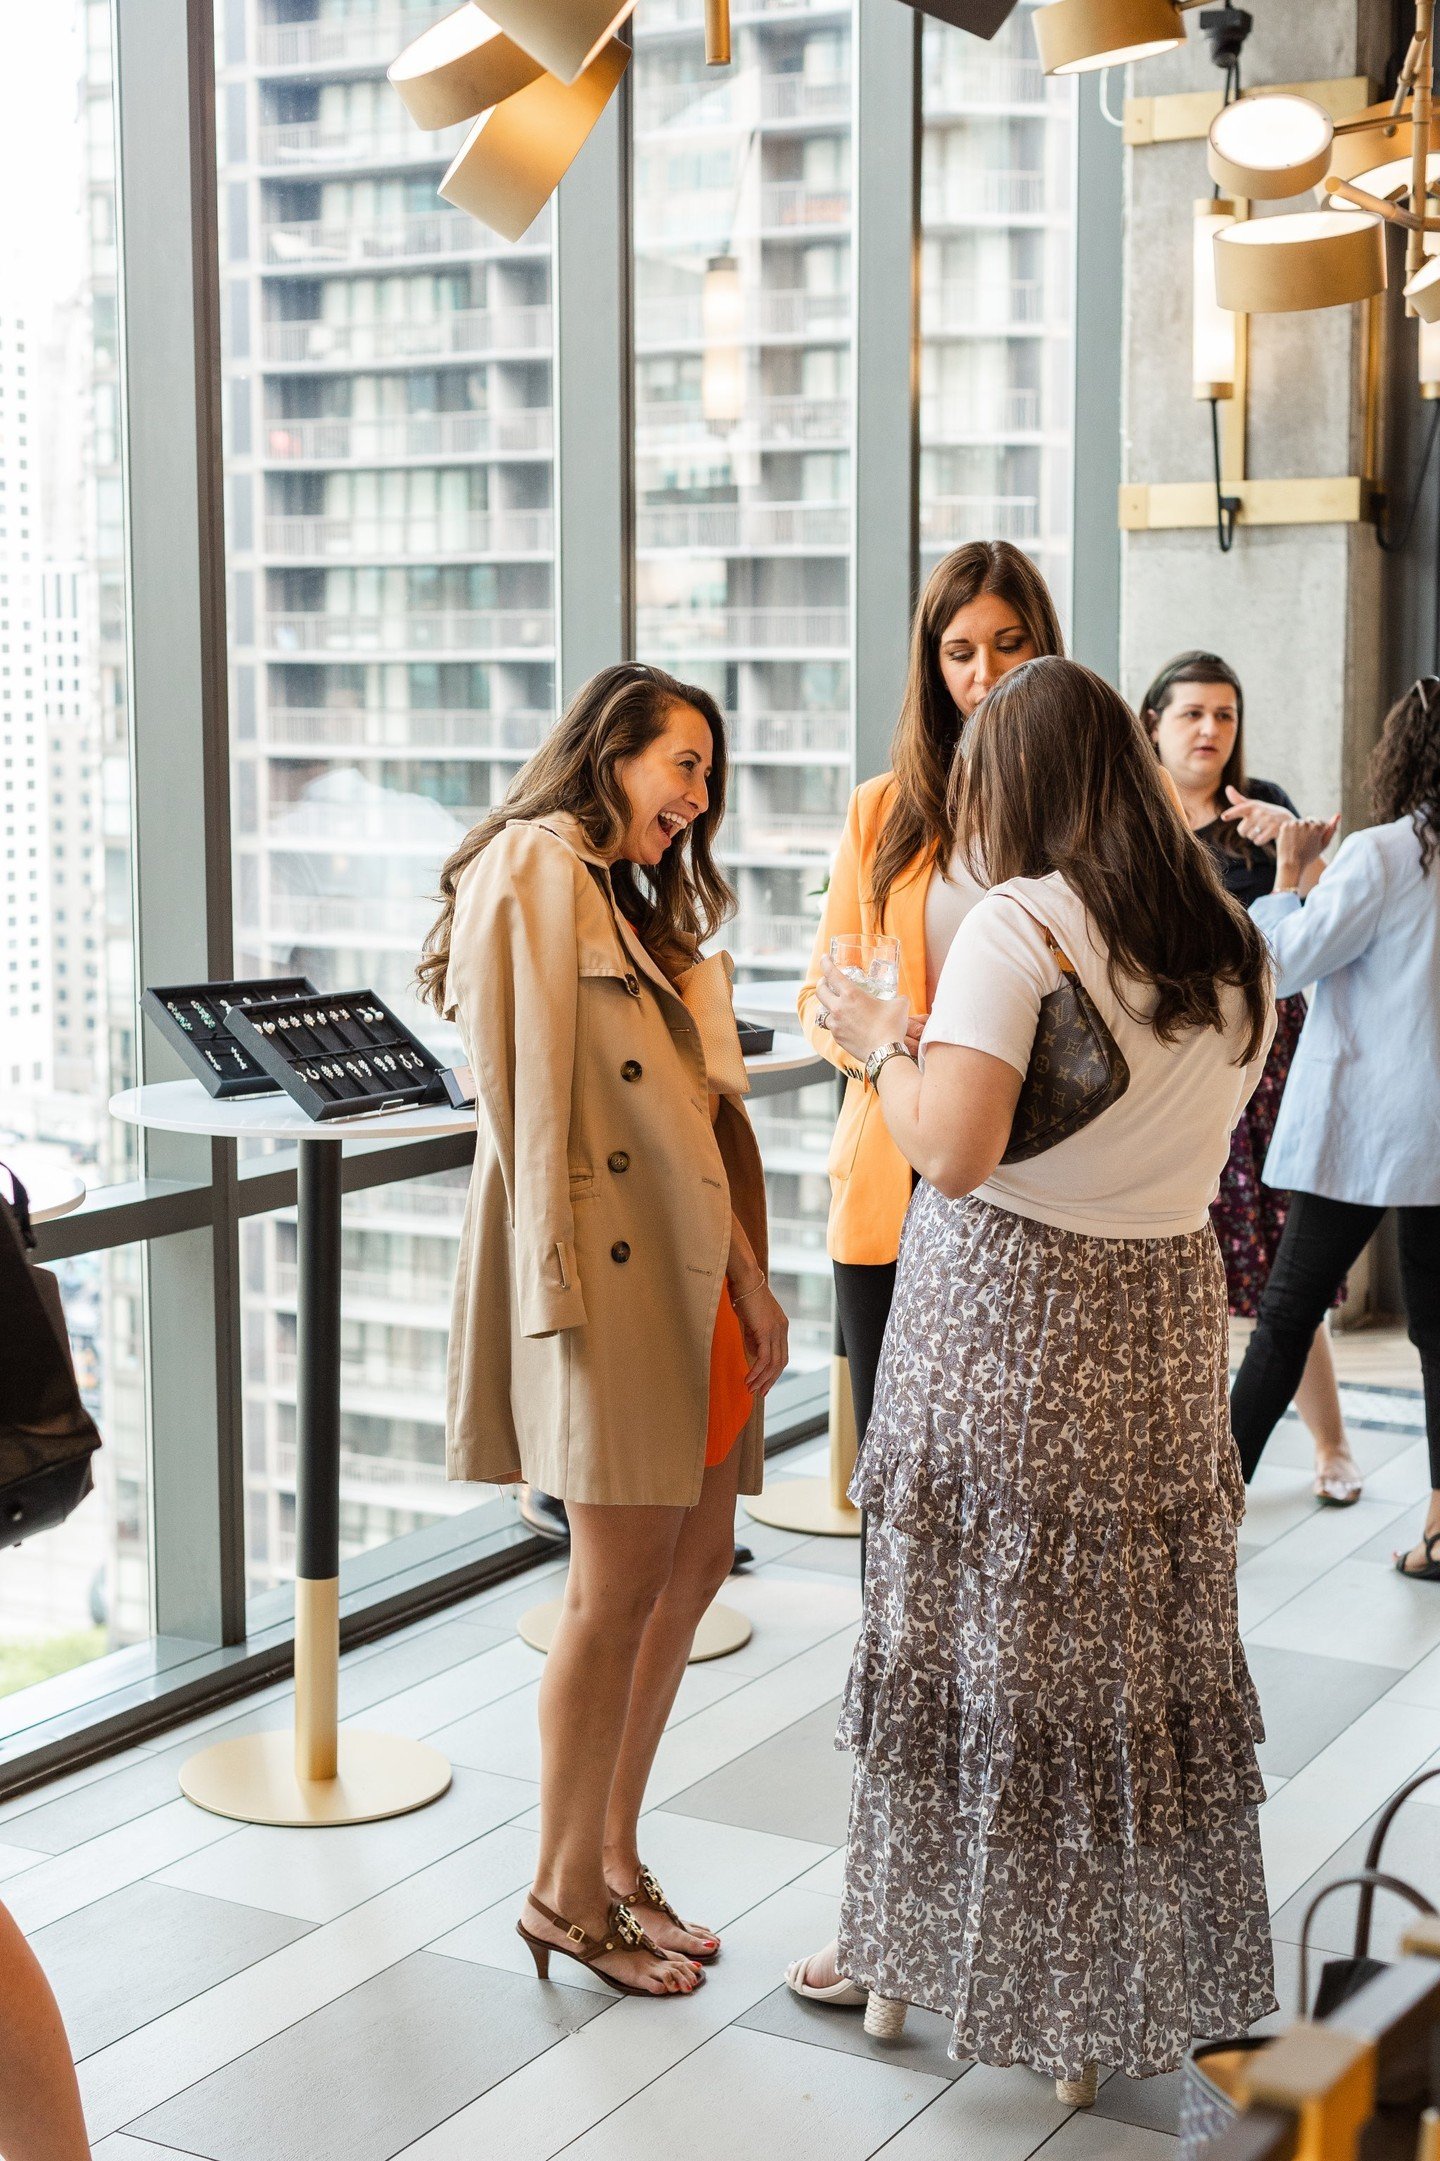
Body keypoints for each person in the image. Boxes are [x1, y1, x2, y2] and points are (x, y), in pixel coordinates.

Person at [791, 656, 1277, 2097]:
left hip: (1009, 1321)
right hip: (1161, 1327)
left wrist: (885, 1045)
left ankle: (904, 1954)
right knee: (1127, 1662)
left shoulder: (1023, 927)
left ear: (1028, 789)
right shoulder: (1235, 942)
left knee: (965, 1645)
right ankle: (1104, 1996)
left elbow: (954, 1147)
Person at [420, 662, 789, 1996]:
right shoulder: (530, 865)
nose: (695, 795)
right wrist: (551, 1303)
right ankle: (561, 1892)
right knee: (610, 1593)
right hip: (608, 1293)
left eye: (706, 773)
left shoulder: (633, 906)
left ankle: (617, 1859)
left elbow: (691, 1122)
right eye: (677, 762)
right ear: (607, 751)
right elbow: (520, 1105)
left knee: (691, 1570)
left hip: (690, 1291)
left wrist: (753, 1286)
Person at [795, 541, 1065, 1509]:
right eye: (959, 651)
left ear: (1045, 649)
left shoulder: (1074, 809)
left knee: (1008, 1479)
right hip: (896, 1175)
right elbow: (820, 998)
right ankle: (894, 1667)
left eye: (1007, 643)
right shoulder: (885, 811)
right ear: (930, 662)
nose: (983, 673)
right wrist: (892, 1039)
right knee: (899, 1481)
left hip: (1034, 1170)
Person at [1230, 676, 1440, 1578]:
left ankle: (1207, 1524)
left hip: (1369, 1132)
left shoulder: (1385, 853)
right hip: (1433, 1140)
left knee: (1284, 1318)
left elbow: (1278, 965)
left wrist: (1286, 877)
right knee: (1438, 1337)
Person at [1141, 651, 1362, 1506]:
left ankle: (1332, 1444)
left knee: (1279, 1272)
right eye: (1192, 712)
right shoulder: (1133, 821)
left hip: (1263, 1067)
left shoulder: (1263, 813)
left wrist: (1297, 865)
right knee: (1185, 1271)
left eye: (1224, 714)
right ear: (1153, 721)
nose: (1210, 730)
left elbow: (1298, 950)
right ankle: (1182, 1453)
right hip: (1173, 1065)